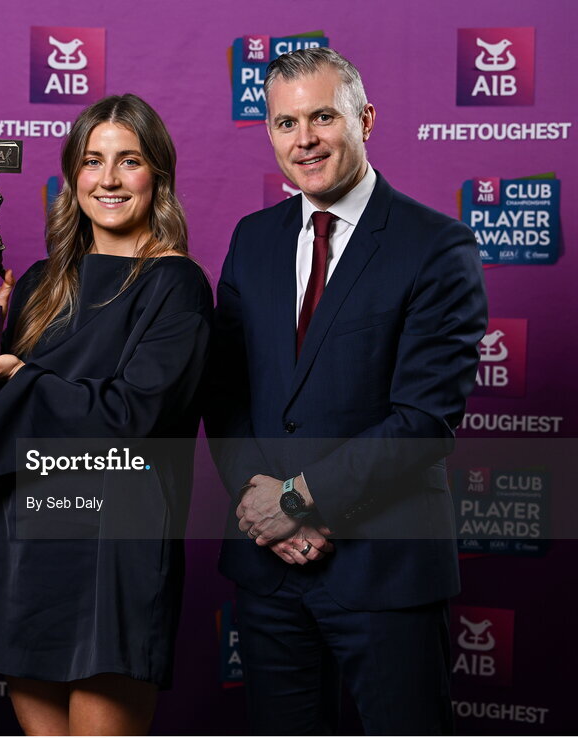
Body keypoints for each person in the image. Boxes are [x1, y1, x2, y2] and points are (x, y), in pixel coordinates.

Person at [205, 47, 488, 734]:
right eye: (284, 123)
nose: (304, 140)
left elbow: (422, 420)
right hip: (271, 569)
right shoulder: (253, 240)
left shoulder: (437, 246)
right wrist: (259, 506)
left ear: (365, 118)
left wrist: (297, 500)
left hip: (385, 569)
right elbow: (226, 393)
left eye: (323, 117)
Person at [0, 94, 212, 735]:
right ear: (71, 176)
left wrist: (22, 375)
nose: (108, 179)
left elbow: (133, 419)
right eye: (92, 161)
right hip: (27, 537)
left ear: (157, 175)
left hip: (114, 545)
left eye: (128, 161)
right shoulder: (37, 282)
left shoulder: (177, 286)